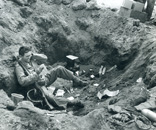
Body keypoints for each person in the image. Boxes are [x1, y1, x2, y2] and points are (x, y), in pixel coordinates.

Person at [15, 46, 87, 110]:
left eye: (30, 55)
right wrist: (36, 73)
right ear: (21, 56)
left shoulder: (31, 58)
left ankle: (77, 81)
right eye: (27, 56)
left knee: (59, 69)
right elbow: (22, 81)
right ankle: (71, 102)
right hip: (37, 86)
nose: (29, 57)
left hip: (44, 78)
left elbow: (45, 58)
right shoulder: (19, 66)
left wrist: (33, 55)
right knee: (50, 97)